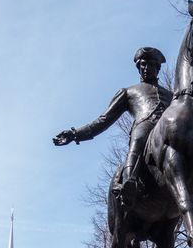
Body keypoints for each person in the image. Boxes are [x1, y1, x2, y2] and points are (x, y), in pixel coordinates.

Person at [53, 47, 172, 208]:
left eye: (150, 64)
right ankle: (130, 183)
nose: (146, 68)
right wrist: (75, 134)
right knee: (139, 136)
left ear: (158, 68)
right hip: (144, 126)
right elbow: (104, 120)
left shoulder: (171, 96)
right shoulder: (128, 92)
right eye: (142, 64)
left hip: (168, 133)